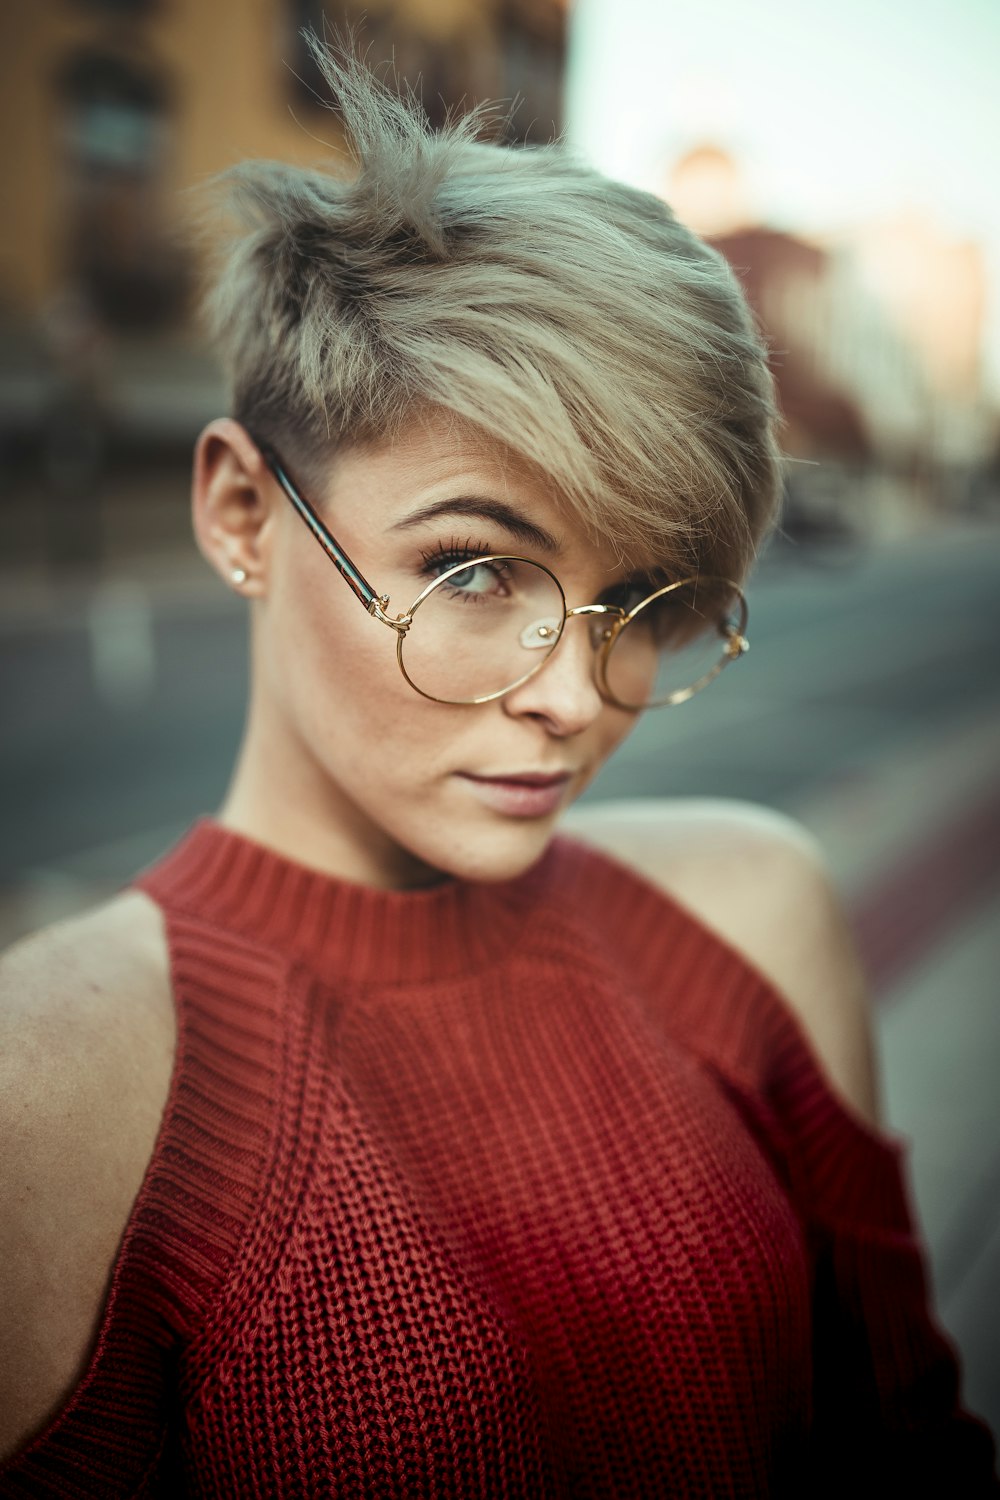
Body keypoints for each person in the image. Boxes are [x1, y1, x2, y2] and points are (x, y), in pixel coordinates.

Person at [1, 42, 997, 1499]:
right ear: (242, 514)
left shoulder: (751, 919)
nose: (570, 697)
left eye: (651, 603)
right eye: (473, 569)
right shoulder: (50, 1084)